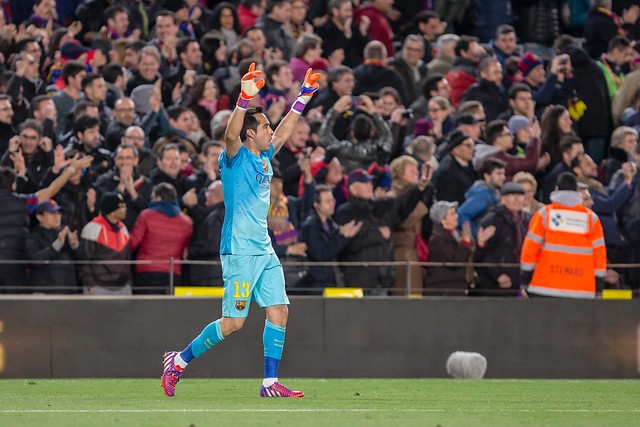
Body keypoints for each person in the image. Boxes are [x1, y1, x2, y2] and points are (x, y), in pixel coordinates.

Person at [161, 64, 321, 399]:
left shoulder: (265, 156)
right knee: (233, 323)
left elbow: (288, 131)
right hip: (239, 250)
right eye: (264, 126)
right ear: (252, 133)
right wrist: (244, 100)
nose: (270, 130)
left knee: (279, 311)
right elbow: (230, 134)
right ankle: (178, 360)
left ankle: (269, 383)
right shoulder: (234, 158)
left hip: (263, 248)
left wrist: (303, 97)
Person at [520, 172, 607, 298]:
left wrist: (525, 282)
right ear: (577, 191)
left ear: (556, 190)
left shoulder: (544, 215)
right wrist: (598, 287)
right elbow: (600, 257)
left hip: (544, 287)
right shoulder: (591, 219)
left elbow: (530, 251)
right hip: (582, 290)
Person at [129, 183, 193, 293]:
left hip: (147, 273)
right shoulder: (187, 222)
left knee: (145, 309)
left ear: (158, 197)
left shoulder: (146, 215)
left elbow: (132, 243)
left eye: (152, 197)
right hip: (173, 274)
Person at [474, 182, 529, 296]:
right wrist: (497, 275)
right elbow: (483, 254)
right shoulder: (492, 220)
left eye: (520, 196)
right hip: (494, 284)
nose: (516, 199)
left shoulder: (527, 220)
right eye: (511, 196)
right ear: (502, 199)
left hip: (519, 280)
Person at [79, 192, 133, 295]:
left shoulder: (123, 229)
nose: (125, 209)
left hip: (122, 287)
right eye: (121, 207)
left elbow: (126, 260)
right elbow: (84, 260)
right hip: (99, 287)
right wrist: (90, 284)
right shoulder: (93, 228)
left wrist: (128, 283)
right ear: (111, 212)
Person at [25, 199, 83, 294]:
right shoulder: (33, 236)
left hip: (68, 293)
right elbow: (34, 261)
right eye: (52, 213)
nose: (57, 216)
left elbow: (82, 260)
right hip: (45, 293)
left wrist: (74, 244)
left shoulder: (66, 234)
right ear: (40, 217)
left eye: (58, 213)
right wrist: (57, 245)